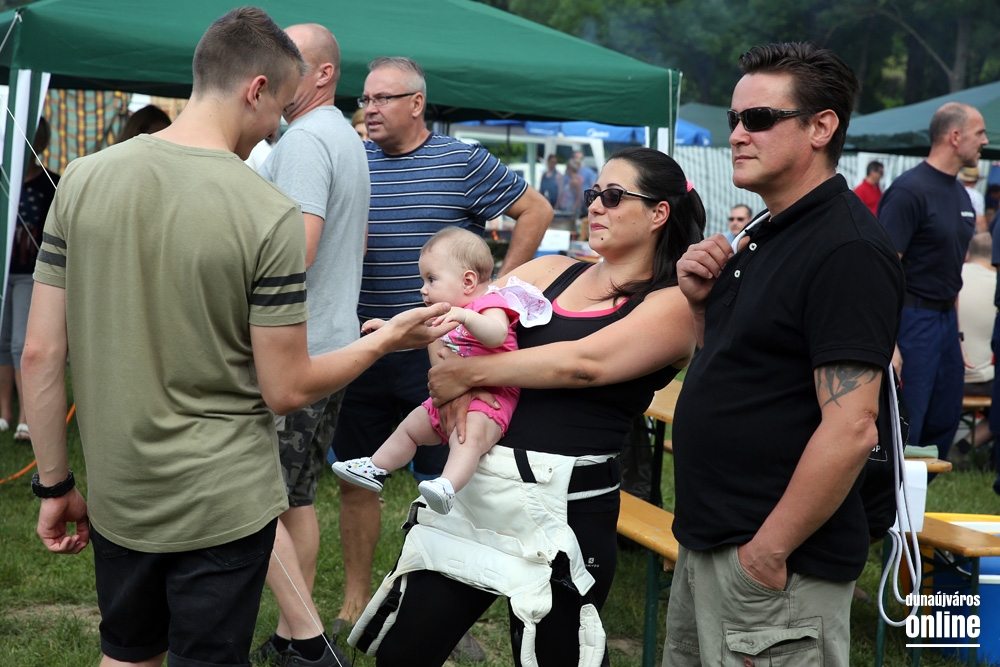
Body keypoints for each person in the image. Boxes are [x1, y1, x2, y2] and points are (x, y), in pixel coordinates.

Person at [22, 9, 453, 667]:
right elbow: (286, 387)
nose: (277, 128)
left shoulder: (81, 178)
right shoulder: (266, 211)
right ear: (255, 90)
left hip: (120, 493)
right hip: (223, 500)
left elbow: (40, 354)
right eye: (279, 108)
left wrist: (54, 487)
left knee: (127, 653)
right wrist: (383, 342)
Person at [346, 146, 704, 667]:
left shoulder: (674, 302)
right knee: (404, 653)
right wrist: (437, 368)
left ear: (659, 213)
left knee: (552, 658)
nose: (594, 205)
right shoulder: (552, 269)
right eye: (593, 194)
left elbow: (582, 364)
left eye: (612, 196)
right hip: (479, 490)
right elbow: (462, 316)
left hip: (564, 508)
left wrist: (467, 375)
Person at [665, 42, 904, 667]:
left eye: (759, 119)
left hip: (774, 569)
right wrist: (700, 306)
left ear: (821, 127)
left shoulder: (846, 249)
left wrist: (766, 554)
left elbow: (852, 427)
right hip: (712, 543)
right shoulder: (767, 232)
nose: (737, 134)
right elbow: (744, 373)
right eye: (734, 119)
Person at [329, 56, 551, 654]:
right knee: (360, 471)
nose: (369, 109)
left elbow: (535, 210)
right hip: (366, 343)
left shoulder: (462, 160)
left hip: (445, 354)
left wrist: (499, 292)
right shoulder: (353, 161)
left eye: (382, 98)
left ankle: (435, 618)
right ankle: (355, 600)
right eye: (365, 99)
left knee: (447, 483)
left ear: (417, 103)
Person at [253, 23, 368, 667]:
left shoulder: (303, 141)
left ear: (323, 74)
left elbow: (295, 253)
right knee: (296, 497)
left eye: (290, 58)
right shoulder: (343, 135)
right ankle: (291, 636)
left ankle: (306, 640)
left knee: (255, 499)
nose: (277, 68)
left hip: (296, 352)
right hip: (331, 346)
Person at [334, 227, 550, 514]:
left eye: (431, 279)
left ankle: (447, 485)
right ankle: (375, 466)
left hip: (492, 397)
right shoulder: (447, 312)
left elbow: (497, 335)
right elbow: (418, 333)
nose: (423, 289)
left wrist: (466, 316)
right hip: (451, 392)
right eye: (423, 280)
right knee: (411, 426)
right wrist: (388, 328)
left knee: (468, 437)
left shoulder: (489, 304)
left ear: (468, 281)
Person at [879, 101, 986, 466]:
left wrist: (957, 337)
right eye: (979, 133)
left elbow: (952, 271)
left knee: (943, 420)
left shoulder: (961, 195)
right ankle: (894, 499)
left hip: (945, 325)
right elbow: (883, 270)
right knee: (908, 423)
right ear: (955, 137)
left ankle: (922, 496)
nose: (985, 141)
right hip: (913, 320)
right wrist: (889, 341)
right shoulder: (909, 191)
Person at [0, 117, 59, 440]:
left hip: (30, 275)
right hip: (4, 273)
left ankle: (27, 416)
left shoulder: (52, 184)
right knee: (2, 342)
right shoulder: (3, 179)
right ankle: (4, 413)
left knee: (21, 343)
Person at [954, 231, 996, 456]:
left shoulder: (953, 275)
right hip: (981, 381)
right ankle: (966, 446)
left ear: (968, 253)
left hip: (946, 375)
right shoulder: (996, 284)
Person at [958, 165, 987, 231]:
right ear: (976, 181)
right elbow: (979, 222)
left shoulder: (954, 190)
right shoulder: (977, 196)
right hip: (965, 232)